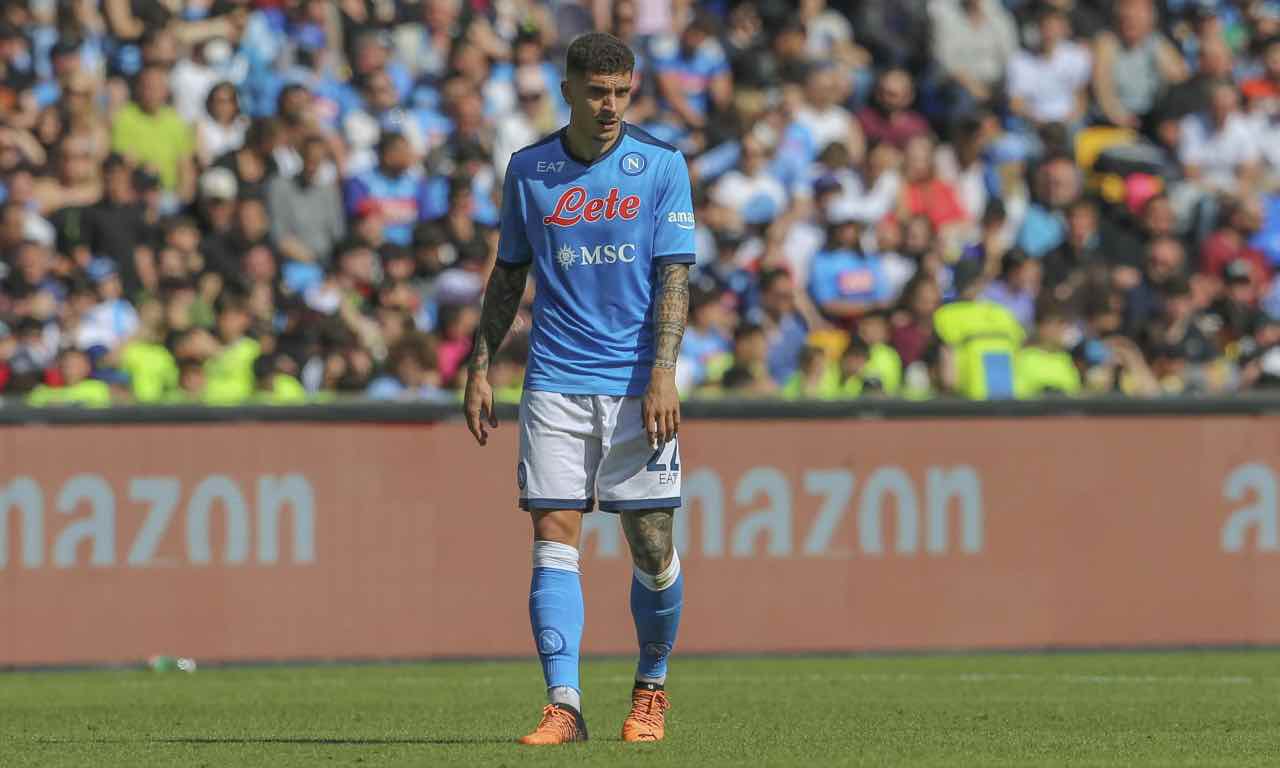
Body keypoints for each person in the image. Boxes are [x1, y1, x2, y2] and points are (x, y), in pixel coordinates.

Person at [462, 33, 692, 746]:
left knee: (651, 546)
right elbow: (509, 275)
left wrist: (663, 372)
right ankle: (564, 705)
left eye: (622, 91)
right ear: (568, 90)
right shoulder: (530, 171)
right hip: (556, 381)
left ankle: (651, 687)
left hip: (634, 385)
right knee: (552, 534)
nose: (611, 105)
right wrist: (479, 362)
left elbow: (673, 276)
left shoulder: (659, 165)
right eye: (597, 91)